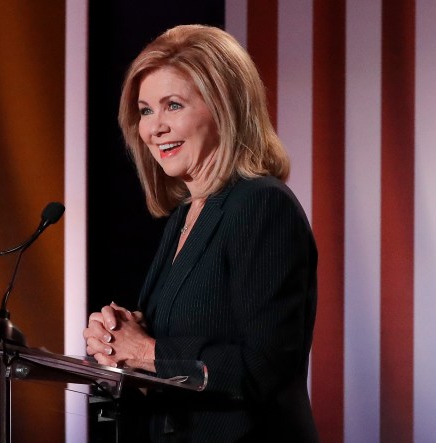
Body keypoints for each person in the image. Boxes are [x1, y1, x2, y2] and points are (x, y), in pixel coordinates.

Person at [83, 24, 319, 442]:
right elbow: (188, 352)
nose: (155, 128)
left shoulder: (262, 205)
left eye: (173, 105)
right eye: (145, 110)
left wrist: (146, 351)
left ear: (224, 108)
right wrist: (121, 341)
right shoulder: (187, 215)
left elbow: (264, 368)